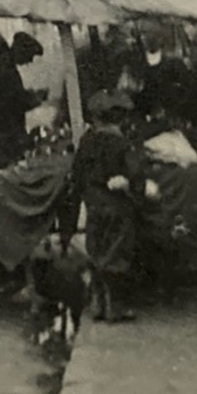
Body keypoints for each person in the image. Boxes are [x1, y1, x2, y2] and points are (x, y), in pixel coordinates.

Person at [63, 90, 153, 321]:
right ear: (120, 118)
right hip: (116, 205)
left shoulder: (87, 141)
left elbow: (76, 174)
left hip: (93, 203)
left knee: (97, 249)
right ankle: (116, 306)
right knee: (118, 253)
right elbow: (135, 174)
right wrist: (136, 187)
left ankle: (98, 303)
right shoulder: (121, 144)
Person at [0, 34, 45, 168]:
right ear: (21, 51)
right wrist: (32, 99)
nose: (29, 62)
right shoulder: (5, 69)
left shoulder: (1, 64)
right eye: (29, 56)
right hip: (3, 134)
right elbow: (9, 102)